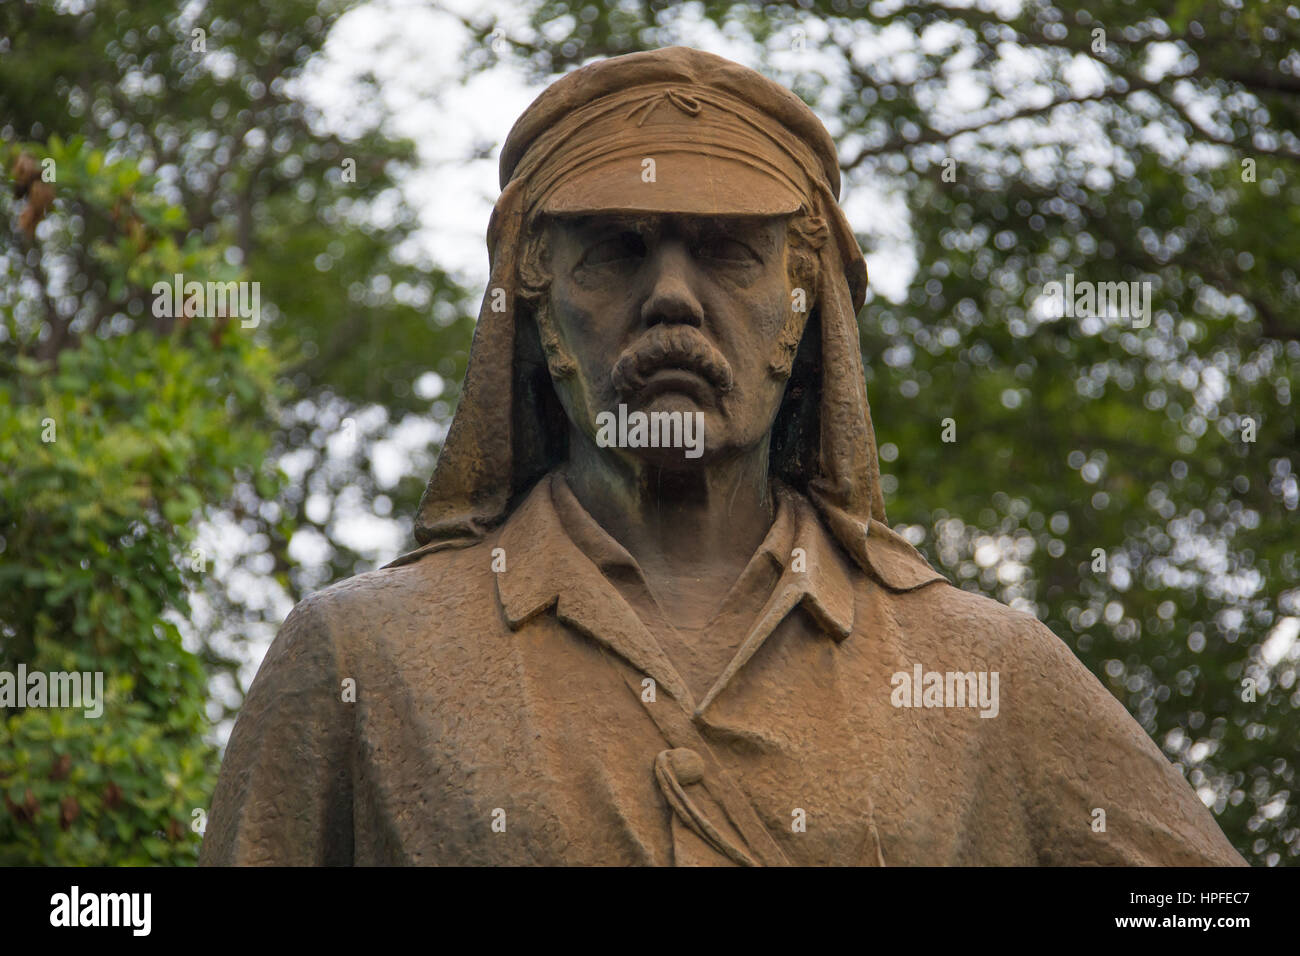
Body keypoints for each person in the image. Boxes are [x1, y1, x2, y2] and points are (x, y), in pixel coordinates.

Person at [201, 47, 1245, 866]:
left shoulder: (981, 668)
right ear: (534, 307)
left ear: (803, 307)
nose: (669, 296)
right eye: (614, 250)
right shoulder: (361, 655)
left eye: (728, 252)